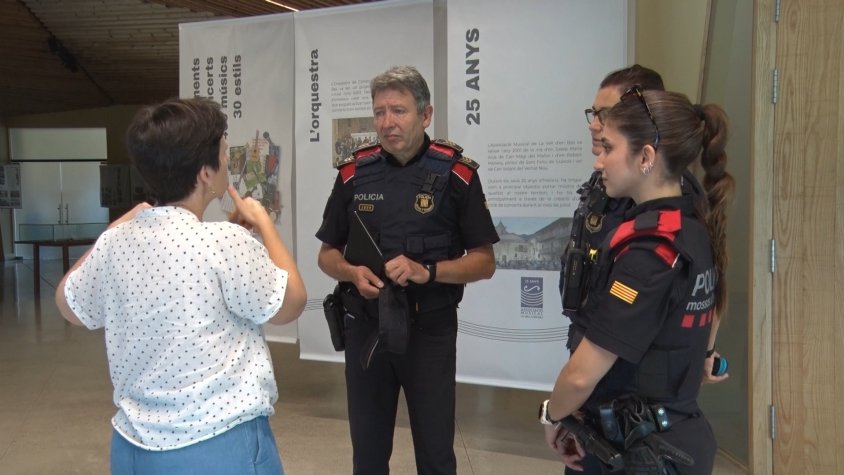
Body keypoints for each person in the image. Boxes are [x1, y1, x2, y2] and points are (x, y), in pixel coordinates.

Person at [55, 97, 307, 475]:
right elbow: (292, 304)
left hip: (133, 449)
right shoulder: (225, 241)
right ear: (205, 172)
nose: (227, 160)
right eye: (224, 152)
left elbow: (67, 304)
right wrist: (264, 223)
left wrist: (118, 225)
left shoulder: (116, 243)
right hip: (218, 446)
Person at [316, 65, 498, 475]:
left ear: (426, 114)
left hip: (428, 333)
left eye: (398, 110)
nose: (387, 122)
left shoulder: (456, 175)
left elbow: (485, 262)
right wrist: (349, 272)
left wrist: (427, 272)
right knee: (367, 454)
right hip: (366, 329)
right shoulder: (353, 174)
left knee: (435, 456)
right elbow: (326, 254)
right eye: (379, 112)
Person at [541, 88, 734, 474]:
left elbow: (581, 375)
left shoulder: (650, 249)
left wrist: (552, 415)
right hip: (665, 437)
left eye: (608, 148)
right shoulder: (693, 225)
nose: (599, 161)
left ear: (645, 157)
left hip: (642, 450)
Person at [561, 65, 728, 388]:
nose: (596, 125)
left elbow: (710, 278)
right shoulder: (604, 182)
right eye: (594, 113)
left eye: (606, 114)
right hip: (592, 336)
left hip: (632, 361)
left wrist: (706, 350)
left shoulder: (674, 198)